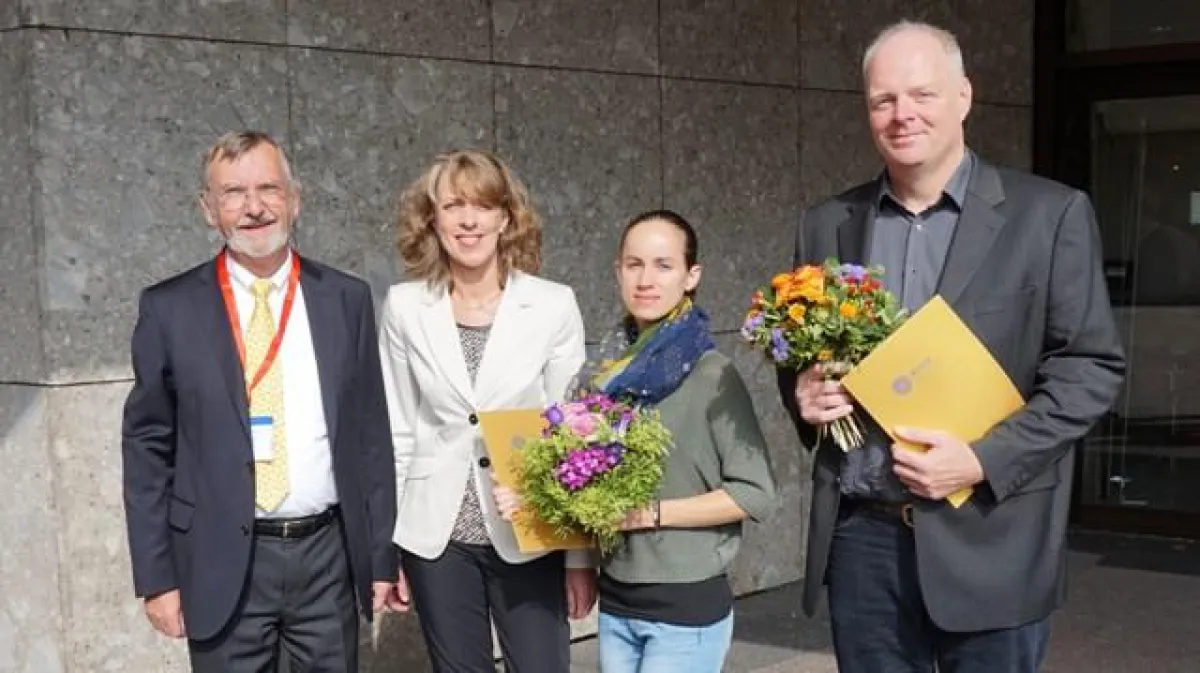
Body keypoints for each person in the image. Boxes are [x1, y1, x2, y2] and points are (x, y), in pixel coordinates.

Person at [777, 20, 1127, 672]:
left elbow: (1090, 369)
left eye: (922, 94)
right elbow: (797, 354)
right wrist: (803, 391)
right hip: (865, 538)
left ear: (964, 97)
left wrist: (982, 459)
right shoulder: (827, 223)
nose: (902, 113)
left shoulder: (1048, 216)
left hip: (992, 534)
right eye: (883, 100)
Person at [121, 130, 398, 672]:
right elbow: (147, 448)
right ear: (208, 209)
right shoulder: (168, 309)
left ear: (296, 198)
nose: (254, 208)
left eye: (268, 188)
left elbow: (371, 437)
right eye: (233, 193)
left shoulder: (346, 299)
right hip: (222, 559)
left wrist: (380, 556)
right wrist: (157, 578)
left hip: (327, 558)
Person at [496, 209, 778, 673]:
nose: (646, 280)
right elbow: (581, 480)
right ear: (618, 272)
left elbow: (756, 493)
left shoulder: (712, 375)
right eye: (634, 264)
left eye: (663, 265)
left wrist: (649, 515)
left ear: (692, 277)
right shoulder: (602, 373)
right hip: (619, 600)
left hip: (685, 607)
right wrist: (539, 507)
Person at [378, 149, 597, 673]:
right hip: (438, 538)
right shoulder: (406, 306)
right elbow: (398, 431)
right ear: (433, 219)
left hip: (529, 527)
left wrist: (579, 555)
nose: (469, 220)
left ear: (507, 216)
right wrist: (391, 550)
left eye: (482, 205)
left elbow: (576, 440)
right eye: (454, 205)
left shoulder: (552, 305)